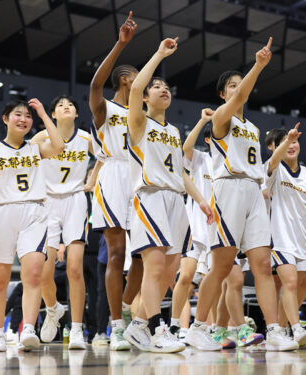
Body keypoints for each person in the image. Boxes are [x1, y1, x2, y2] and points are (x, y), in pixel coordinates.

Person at [186, 37, 298, 352]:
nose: (238, 89)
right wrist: (259, 65)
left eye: (240, 85)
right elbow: (243, 95)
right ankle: (197, 328)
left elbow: (262, 166)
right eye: (231, 86)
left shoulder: (252, 128)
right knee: (221, 266)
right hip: (228, 189)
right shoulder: (221, 117)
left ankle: (274, 330)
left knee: (262, 265)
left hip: (253, 189)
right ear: (223, 94)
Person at [123, 37, 214, 353]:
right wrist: (159, 53)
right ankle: (157, 329)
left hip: (177, 201)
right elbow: (134, 89)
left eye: (167, 87)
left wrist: (201, 201)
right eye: (156, 86)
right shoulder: (138, 123)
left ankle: (136, 327)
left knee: (170, 271)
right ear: (146, 96)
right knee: (155, 268)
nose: (164, 89)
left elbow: (182, 174)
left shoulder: (173, 132)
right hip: (150, 198)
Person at [0, 99, 64, 352]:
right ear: (6, 119)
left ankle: (28, 328)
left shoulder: (36, 147)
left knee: (34, 273)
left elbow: (59, 146)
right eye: (18, 115)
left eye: (28, 116)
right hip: (2, 212)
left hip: (34, 212)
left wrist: (43, 113)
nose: (23, 119)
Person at [88, 11, 144, 351]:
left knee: (141, 254)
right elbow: (95, 85)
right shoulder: (106, 108)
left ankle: (123, 308)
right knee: (116, 252)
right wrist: (121, 45)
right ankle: (115, 325)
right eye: (137, 76)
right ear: (126, 80)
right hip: (113, 174)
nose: (140, 80)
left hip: (140, 177)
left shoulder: (145, 117)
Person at [31, 95, 92, 349]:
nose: (67, 106)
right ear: (53, 114)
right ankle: (53, 309)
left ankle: (76, 329)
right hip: (47, 202)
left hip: (75, 200)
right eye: (60, 105)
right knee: (44, 273)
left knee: (75, 268)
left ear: (76, 114)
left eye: (71, 104)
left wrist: (93, 179)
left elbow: (108, 157)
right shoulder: (41, 138)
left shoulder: (87, 138)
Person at [265, 124, 306, 346]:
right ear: (275, 147)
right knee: (289, 282)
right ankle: (297, 328)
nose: (291, 145)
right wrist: (285, 140)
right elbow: (272, 162)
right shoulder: (273, 169)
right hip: (279, 238)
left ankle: (279, 331)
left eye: (294, 141)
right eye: (285, 142)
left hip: (302, 239)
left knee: (303, 283)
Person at [169, 110, 213, 338]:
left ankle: (207, 329)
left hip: (216, 232)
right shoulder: (201, 158)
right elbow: (185, 148)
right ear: (208, 139)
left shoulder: (229, 164)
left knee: (212, 282)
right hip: (195, 228)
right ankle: (177, 327)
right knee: (185, 277)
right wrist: (203, 120)